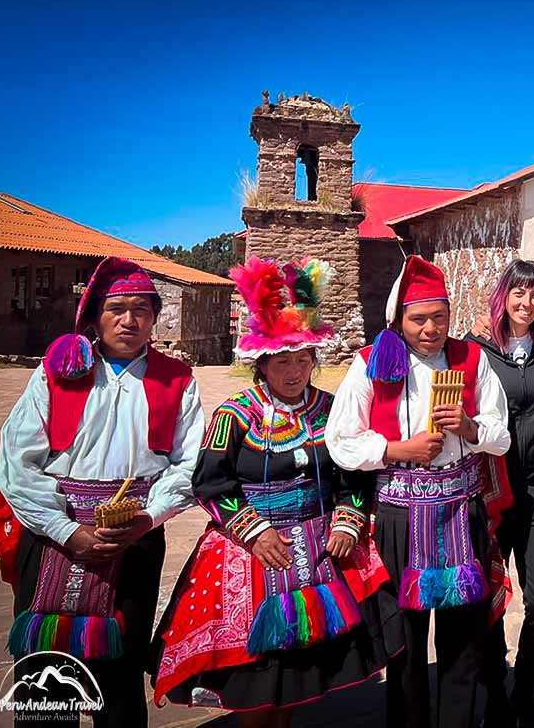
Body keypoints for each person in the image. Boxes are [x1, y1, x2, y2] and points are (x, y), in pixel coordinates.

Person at [151, 257, 389, 725]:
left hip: (320, 545)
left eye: (304, 359)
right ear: (262, 364)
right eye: (284, 361)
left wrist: (349, 517)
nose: (296, 370)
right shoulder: (234, 415)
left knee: (298, 680)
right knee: (258, 679)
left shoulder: (329, 408)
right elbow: (211, 482)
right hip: (252, 549)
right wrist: (255, 532)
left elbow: (354, 472)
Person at [0, 257, 204, 726]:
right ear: (94, 316)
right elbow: (17, 462)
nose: (129, 320)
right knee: (46, 678)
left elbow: (190, 463)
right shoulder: (57, 373)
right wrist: (66, 530)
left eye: (141, 309)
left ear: (154, 318)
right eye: (116, 308)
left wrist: (146, 520)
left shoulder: (177, 379)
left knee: (120, 673)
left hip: (135, 536)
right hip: (52, 535)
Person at [329, 255, 512, 728]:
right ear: (399, 320)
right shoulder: (371, 361)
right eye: (419, 319)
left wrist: (470, 428)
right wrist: (397, 448)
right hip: (398, 514)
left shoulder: (472, 360)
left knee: (462, 638)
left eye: (440, 317)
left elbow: (501, 432)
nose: (431, 329)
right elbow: (342, 440)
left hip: (459, 511)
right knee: (405, 641)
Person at [465, 259, 534, 728]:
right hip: (488, 487)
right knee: (486, 594)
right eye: (517, 293)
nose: (525, 302)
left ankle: (525, 688)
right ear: (502, 297)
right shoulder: (477, 348)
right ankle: (493, 688)